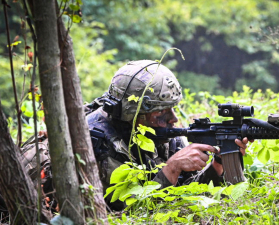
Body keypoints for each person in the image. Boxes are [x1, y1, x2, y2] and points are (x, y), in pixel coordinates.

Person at [85, 60, 249, 210]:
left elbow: (185, 193)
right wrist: (171, 169)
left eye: (171, 109)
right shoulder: (98, 142)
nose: (174, 119)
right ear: (134, 114)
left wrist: (218, 164)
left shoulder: (162, 133)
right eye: (161, 112)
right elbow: (129, 213)